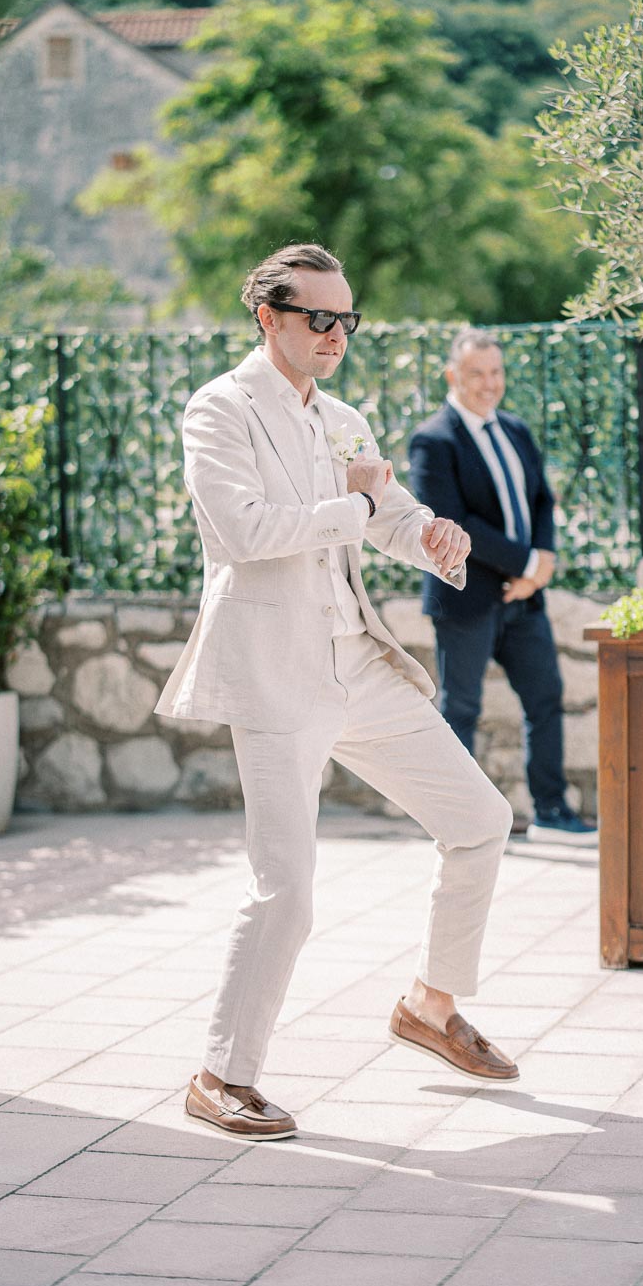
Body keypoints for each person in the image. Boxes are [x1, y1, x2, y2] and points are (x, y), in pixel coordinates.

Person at [155, 246, 518, 1143]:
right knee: (287, 891)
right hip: (276, 673)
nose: (336, 334)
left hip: (358, 661)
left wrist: (430, 535)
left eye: (346, 319)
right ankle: (219, 1077)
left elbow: (387, 514)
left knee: (480, 819)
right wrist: (357, 508)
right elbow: (243, 530)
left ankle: (431, 1006)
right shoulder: (220, 409)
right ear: (268, 317)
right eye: (318, 317)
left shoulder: (343, 418)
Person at [408, 327, 597, 846]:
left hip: (525, 597)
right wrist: (529, 562)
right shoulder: (433, 440)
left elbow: (541, 500)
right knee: (461, 710)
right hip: (467, 596)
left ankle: (552, 813)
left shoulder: (515, 429)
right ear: (452, 375)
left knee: (545, 698)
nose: (489, 383)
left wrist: (541, 564)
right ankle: (459, 823)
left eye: (496, 372)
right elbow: (454, 520)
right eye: (477, 374)